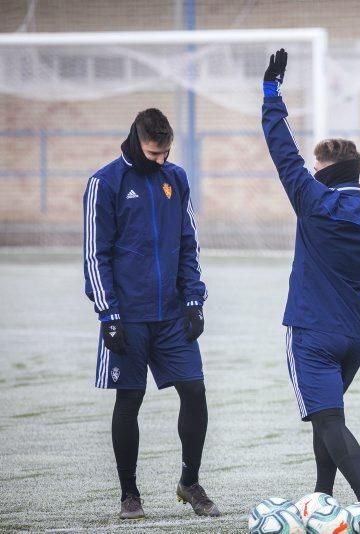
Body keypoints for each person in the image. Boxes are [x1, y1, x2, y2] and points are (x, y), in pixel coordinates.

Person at [260, 49, 360, 502]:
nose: (311, 171)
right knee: (328, 415)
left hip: (313, 331)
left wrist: (271, 92)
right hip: (355, 337)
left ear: (327, 173)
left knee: (329, 420)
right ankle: (322, 497)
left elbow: (282, 149)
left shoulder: (312, 201)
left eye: (317, 167)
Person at [82, 109, 218, 519]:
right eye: (153, 152)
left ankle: (189, 481)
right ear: (136, 141)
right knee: (130, 398)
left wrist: (194, 300)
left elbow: (188, 242)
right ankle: (129, 494)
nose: (161, 159)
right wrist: (109, 314)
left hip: (173, 314)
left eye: (166, 152)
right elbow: (95, 254)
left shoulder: (175, 179)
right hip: (128, 315)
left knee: (194, 391)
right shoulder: (104, 183)